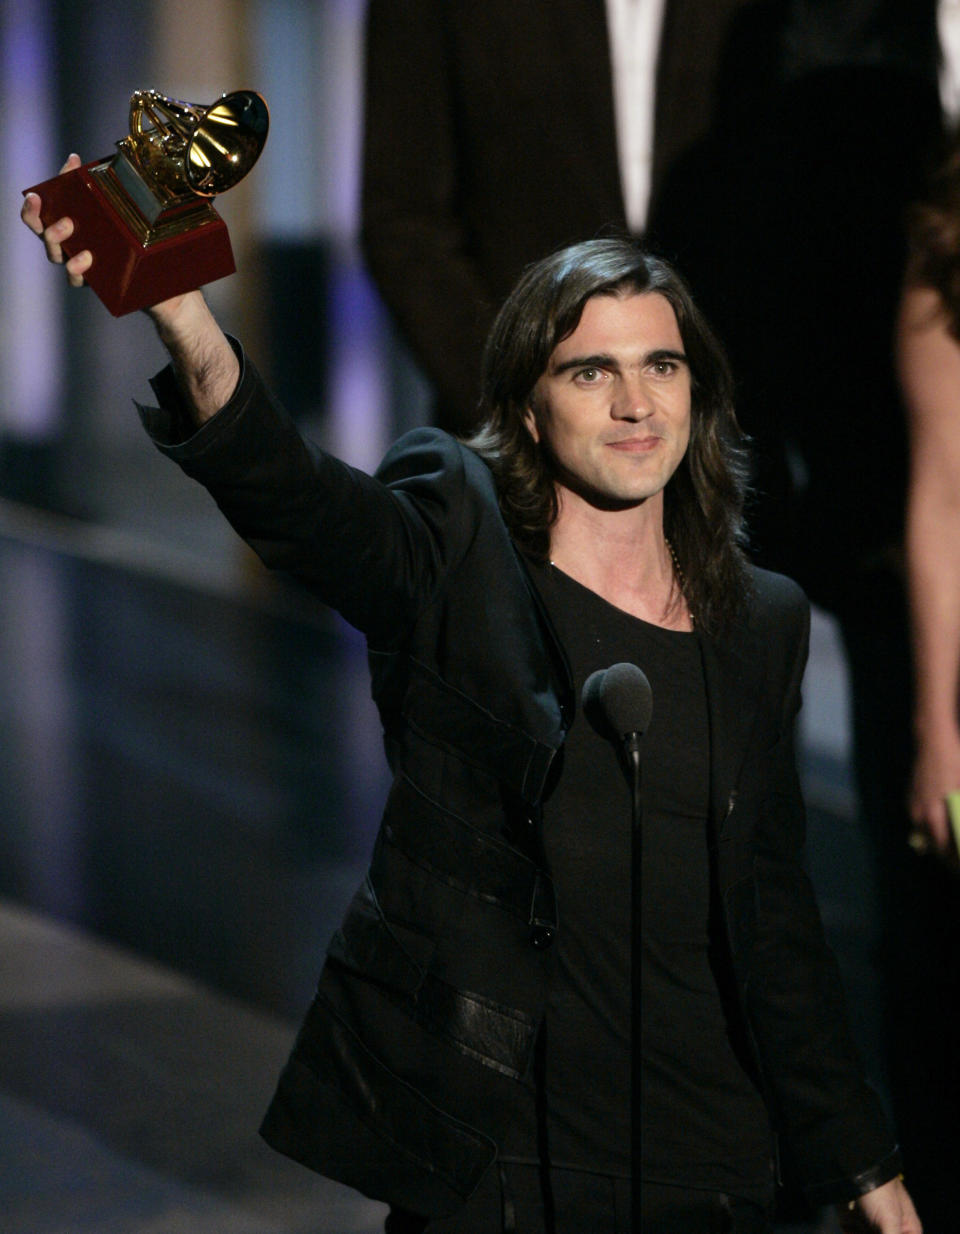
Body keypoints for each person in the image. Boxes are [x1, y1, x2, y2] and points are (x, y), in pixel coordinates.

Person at [22, 176, 920, 1232]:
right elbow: (293, 495)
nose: (637, 404)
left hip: (712, 1166)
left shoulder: (761, 621)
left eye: (661, 366)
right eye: (592, 372)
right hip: (504, 1168)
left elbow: (776, 924)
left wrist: (861, 1159)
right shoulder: (458, 552)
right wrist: (182, 312)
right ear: (528, 411)